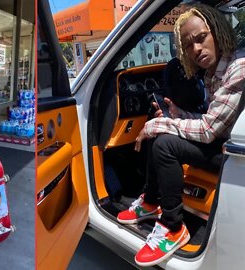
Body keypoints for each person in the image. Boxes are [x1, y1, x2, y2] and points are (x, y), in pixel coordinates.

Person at [117, 4, 245, 267]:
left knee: (163, 142)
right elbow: (214, 121)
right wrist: (176, 116)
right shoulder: (214, 71)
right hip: (226, 143)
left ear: (217, 32)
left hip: (232, 154)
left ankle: (173, 227)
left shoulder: (238, 67)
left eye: (200, 39)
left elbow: (209, 131)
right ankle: (151, 202)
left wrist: (160, 126)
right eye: (188, 45)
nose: (196, 49)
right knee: (160, 128)